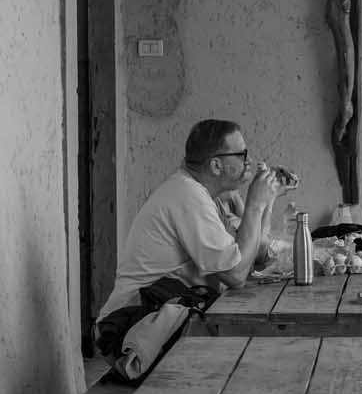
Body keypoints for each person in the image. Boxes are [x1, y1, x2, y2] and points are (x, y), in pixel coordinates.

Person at [96, 118, 282, 327]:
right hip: (130, 327)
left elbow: (252, 253)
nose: (248, 162)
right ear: (216, 165)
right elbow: (236, 275)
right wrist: (255, 204)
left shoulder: (203, 195)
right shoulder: (188, 195)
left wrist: (268, 199)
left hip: (161, 314)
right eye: (242, 155)